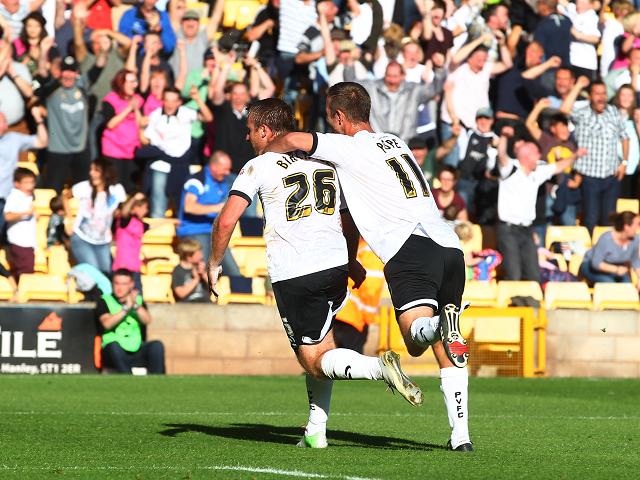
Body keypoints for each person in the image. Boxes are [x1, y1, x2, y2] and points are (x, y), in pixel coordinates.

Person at [266, 83, 473, 452]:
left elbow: (295, 139)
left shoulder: (346, 146)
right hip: (449, 244)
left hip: (411, 247)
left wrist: (266, 151)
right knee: (446, 347)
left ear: (339, 117)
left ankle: (440, 323)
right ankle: (461, 436)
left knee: (414, 339)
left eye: (330, 116)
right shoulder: (396, 141)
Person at [208, 97, 423, 449]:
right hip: (335, 265)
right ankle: (315, 431)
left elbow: (227, 219)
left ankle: (378, 369)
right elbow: (348, 215)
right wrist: (352, 259)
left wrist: (214, 264)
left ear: (265, 130)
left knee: (314, 361)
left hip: (296, 271)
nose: (247, 139)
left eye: (249, 131)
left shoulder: (258, 166)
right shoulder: (324, 162)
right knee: (324, 346)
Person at [496, 126, 585, 282]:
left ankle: (531, 303)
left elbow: (558, 167)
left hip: (526, 230)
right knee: (514, 273)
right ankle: (514, 304)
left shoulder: (537, 173)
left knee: (533, 273)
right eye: (537, 154)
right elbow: (501, 155)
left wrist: (575, 156)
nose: (539, 157)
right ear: (527, 156)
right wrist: (504, 136)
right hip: (508, 229)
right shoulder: (510, 169)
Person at [561, 79, 630, 234]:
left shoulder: (613, 111)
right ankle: (592, 252)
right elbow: (564, 108)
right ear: (590, 96)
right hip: (590, 176)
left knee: (609, 218)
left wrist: (624, 162)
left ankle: (607, 254)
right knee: (591, 217)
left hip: (611, 175)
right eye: (597, 94)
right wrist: (578, 86)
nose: (601, 97)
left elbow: (624, 137)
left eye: (604, 93)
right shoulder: (583, 113)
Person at [176, 151, 240, 276]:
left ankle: (238, 292)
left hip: (213, 232)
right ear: (214, 166)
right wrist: (218, 208)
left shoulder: (223, 182)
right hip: (193, 231)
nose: (227, 173)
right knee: (205, 267)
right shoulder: (197, 179)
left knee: (233, 270)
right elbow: (189, 207)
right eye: (225, 169)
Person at [96, 268, 165, 374]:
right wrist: (126, 309)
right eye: (117, 283)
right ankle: (128, 380)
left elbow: (147, 320)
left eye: (124, 284)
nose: (120, 288)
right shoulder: (104, 300)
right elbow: (107, 323)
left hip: (135, 349)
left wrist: (135, 306)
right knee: (114, 346)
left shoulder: (138, 301)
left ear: (131, 284)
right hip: (114, 352)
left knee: (156, 346)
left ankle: (158, 382)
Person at [40, 55, 90, 193]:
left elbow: (97, 69)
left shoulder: (83, 89)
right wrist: (44, 52)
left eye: (72, 71)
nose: (68, 75)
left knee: (82, 189)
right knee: (53, 188)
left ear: (77, 73)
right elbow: (43, 81)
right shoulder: (52, 89)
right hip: (57, 149)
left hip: (80, 147)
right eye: (65, 70)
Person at [69, 158, 126, 275]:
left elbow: (122, 208)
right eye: (91, 170)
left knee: (107, 273)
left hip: (103, 241)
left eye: (96, 170)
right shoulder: (84, 187)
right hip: (81, 237)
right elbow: (65, 196)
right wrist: (69, 218)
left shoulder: (117, 190)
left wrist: (118, 212)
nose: (91, 173)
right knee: (94, 272)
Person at [0, 107, 47, 235]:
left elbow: (42, 142)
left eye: (4, 122)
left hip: (6, 198)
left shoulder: (13, 139)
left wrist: (39, 120)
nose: (3, 124)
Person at [100, 69, 144, 192]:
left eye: (135, 81)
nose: (134, 85)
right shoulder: (110, 100)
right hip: (114, 150)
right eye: (130, 82)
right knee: (115, 187)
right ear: (121, 83)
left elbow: (140, 124)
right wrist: (129, 107)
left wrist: (136, 109)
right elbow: (110, 124)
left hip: (132, 150)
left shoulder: (139, 99)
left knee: (130, 187)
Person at [579, 211, 640, 288]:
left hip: (617, 270)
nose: (638, 228)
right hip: (592, 268)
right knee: (610, 284)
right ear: (626, 227)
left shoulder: (635, 240)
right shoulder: (606, 239)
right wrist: (616, 269)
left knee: (627, 286)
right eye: (637, 224)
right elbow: (596, 263)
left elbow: (635, 261)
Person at [112, 192, 150, 293]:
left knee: (137, 295)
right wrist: (134, 198)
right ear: (135, 207)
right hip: (123, 265)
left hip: (135, 265)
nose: (146, 211)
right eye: (143, 207)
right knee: (122, 294)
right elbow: (125, 212)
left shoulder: (140, 223)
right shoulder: (126, 220)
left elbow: (153, 226)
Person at [3, 167, 36, 280]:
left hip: (28, 241)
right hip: (19, 240)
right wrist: (25, 213)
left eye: (32, 182)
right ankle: (21, 293)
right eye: (26, 183)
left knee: (26, 270)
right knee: (25, 271)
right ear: (17, 184)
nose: (30, 185)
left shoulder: (29, 196)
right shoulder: (14, 196)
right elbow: (7, 216)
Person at [172, 238, 210, 303]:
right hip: (187, 305)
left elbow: (215, 288)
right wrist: (196, 279)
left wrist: (203, 274)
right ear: (189, 257)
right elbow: (181, 294)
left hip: (205, 303)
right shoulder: (178, 271)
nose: (202, 256)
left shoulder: (202, 267)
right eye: (198, 254)